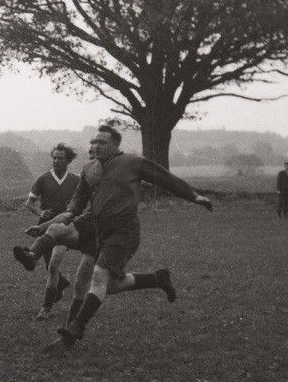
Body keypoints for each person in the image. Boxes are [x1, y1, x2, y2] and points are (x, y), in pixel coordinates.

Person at [14, 124, 212, 351]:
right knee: (89, 263)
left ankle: (75, 328)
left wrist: (194, 196)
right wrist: (51, 223)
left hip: (123, 232)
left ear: (115, 145)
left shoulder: (132, 163)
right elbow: (76, 204)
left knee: (99, 279)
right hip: (95, 228)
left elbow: (165, 179)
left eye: (101, 142)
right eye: (93, 142)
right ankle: (32, 255)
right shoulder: (89, 169)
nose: (95, 146)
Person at [23, 144, 80, 318]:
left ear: (68, 160)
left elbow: (82, 204)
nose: (56, 161)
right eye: (54, 157)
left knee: (54, 264)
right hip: (45, 227)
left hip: (65, 228)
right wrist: (40, 212)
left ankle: (45, 309)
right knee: (50, 267)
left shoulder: (76, 181)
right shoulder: (43, 179)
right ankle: (61, 284)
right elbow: (29, 203)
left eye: (60, 158)